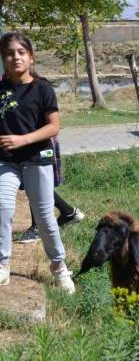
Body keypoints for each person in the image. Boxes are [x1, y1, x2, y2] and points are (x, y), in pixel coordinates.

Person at [0, 32, 74, 292]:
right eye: (9, 53)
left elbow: (54, 127)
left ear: (31, 58)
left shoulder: (41, 88)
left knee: (44, 218)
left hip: (36, 159)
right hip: (5, 162)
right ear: (3, 59)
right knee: (3, 207)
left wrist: (23, 140)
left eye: (21, 52)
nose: (15, 57)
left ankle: (59, 267)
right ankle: (2, 265)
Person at [18, 137, 84, 243]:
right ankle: (68, 212)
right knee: (34, 183)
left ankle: (38, 228)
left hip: (36, 144)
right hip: (28, 142)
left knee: (35, 182)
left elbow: (52, 126)